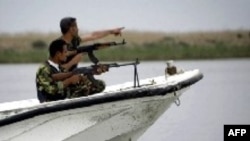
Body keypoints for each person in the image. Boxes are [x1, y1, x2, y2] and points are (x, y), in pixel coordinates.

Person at [58, 17, 124, 97]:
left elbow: (93, 35)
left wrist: (111, 31)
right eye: (76, 26)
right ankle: (69, 97)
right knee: (87, 87)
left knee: (99, 85)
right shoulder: (59, 46)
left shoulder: (74, 41)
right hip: (61, 85)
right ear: (71, 29)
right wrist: (76, 60)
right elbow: (59, 70)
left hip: (72, 77)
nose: (78, 29)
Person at [36, 39, 107, 103]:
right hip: (50, 101)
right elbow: (50, 90)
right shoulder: (44, 69)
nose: (67, 54)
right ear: (58, 54)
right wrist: (69, 81)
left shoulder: (58, 67)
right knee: (85, 89)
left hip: (63, 96)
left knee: (99, 84)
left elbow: (70, 77)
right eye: (65, 52)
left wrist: (92, 72)